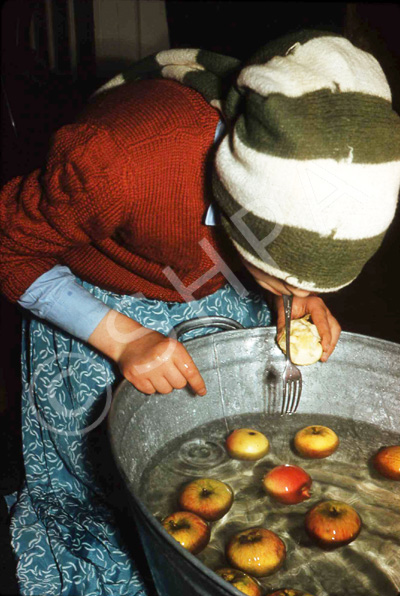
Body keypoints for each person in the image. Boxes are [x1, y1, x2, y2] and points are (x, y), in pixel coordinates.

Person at [1, 29, 399, 596]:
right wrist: (119, 338)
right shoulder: (117, 159)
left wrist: (298, 294)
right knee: (106, 488)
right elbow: (8, 245)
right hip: (93, 302)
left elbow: (289, 249)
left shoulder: (305, 161)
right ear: (238, 198)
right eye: (282, 270)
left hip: (206, 286)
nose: (290, 288)